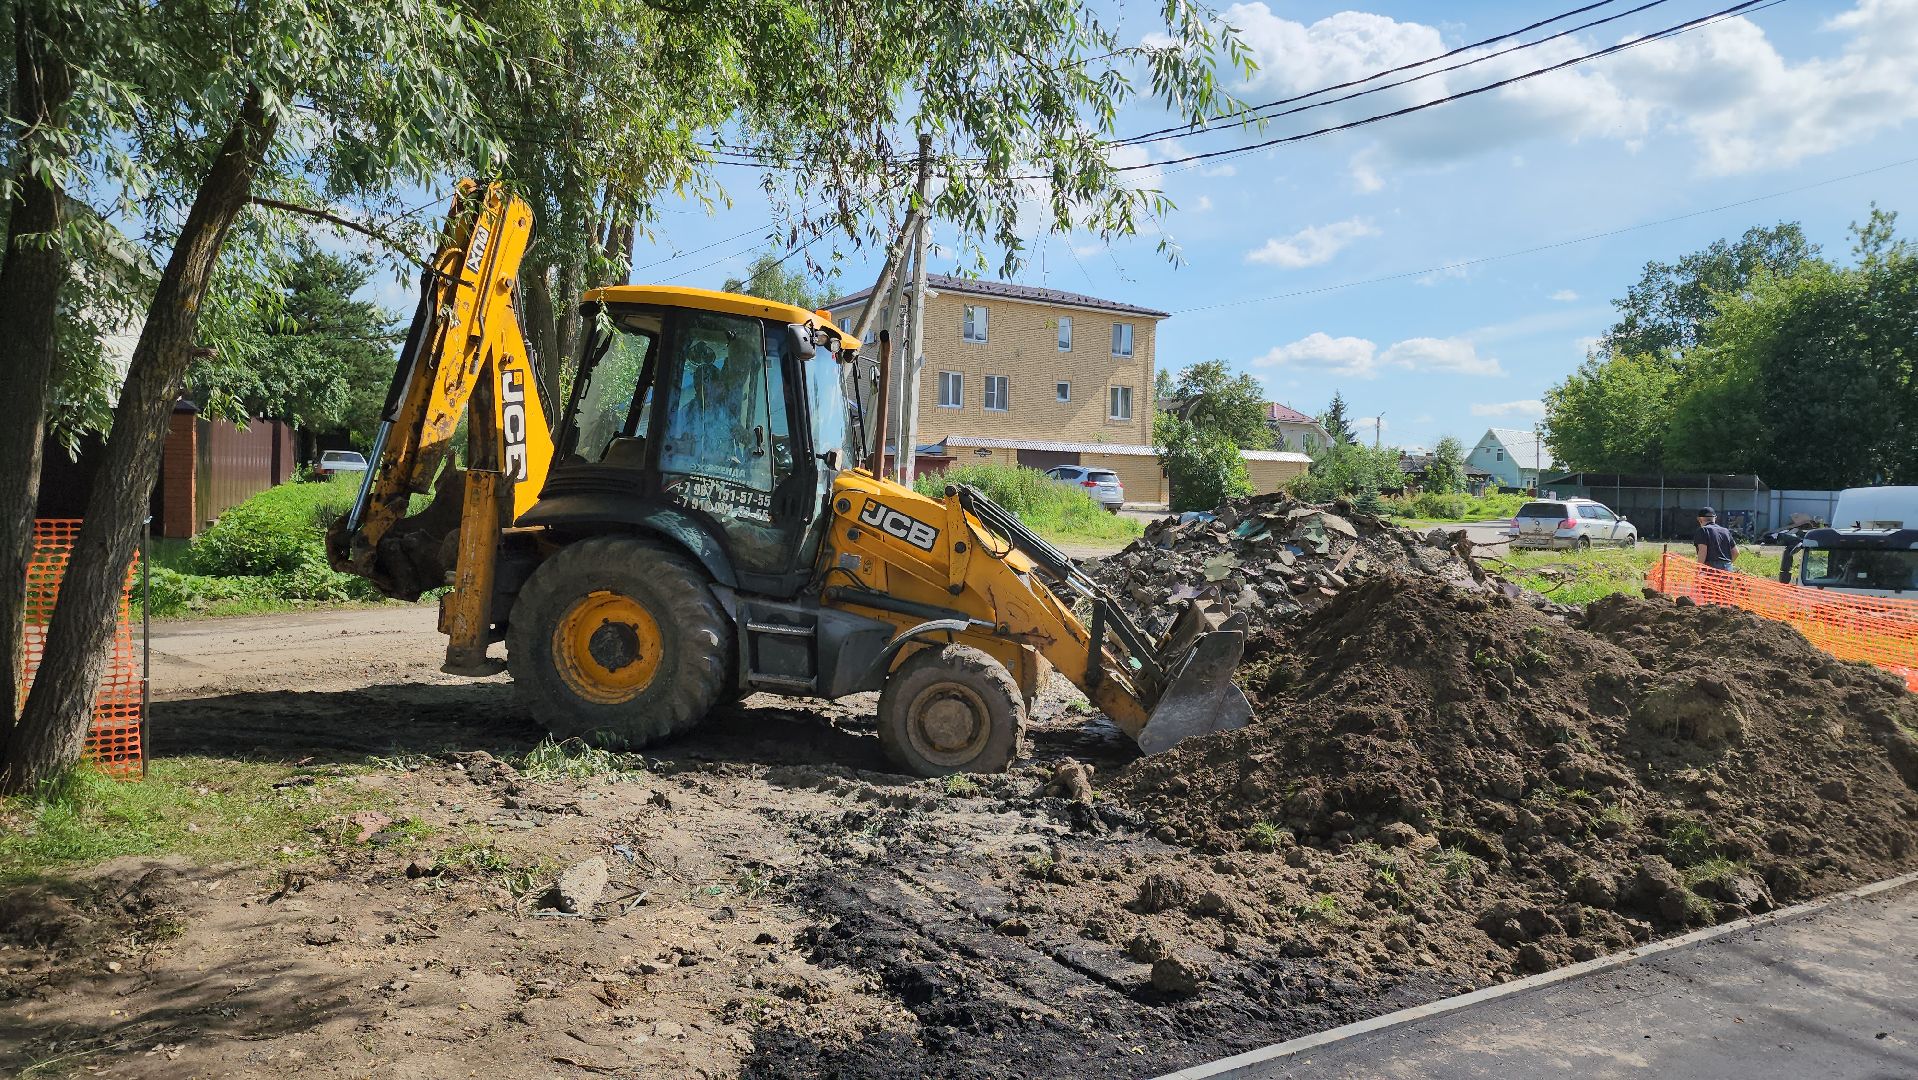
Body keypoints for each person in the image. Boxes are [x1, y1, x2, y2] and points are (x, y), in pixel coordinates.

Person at [1692, 506, 1738, 571]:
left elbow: (1702, 551)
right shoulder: (1725, 531)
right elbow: (1736, 552)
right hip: (1727, 570)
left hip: (1711, 570)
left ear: (1699, 519)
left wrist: (1698, 570)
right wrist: (1727, 565)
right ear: (1715, 518)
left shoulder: (1703, 530)